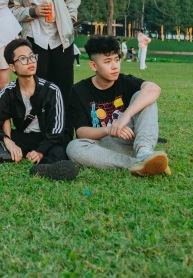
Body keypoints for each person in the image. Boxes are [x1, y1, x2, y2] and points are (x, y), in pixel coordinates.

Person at [66, 36, 170, 176]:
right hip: (105, 146)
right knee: (74, 147)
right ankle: (137, 163)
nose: (115, 66)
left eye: (116, 59)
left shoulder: (124, 81)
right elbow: (81, 132)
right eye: (107, 62)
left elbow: (154, 89)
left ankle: (144, 152)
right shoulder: (79, 91)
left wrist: (125, 116)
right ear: (93, 66)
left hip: (132, 141)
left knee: (144, 95)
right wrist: (108, 129)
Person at [0, 38, 79, 180]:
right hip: (24, 138)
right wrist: (7, 140)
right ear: (12, 67)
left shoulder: (51, 90)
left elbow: (57, 131)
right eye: (23, 59)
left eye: (32, 57)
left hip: (49, 138)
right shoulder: (9, 92)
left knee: (59, 149)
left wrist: (40, 151)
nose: (30, 62)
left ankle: (45, 168)